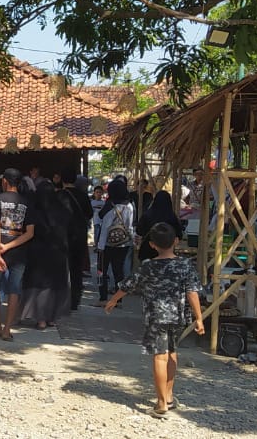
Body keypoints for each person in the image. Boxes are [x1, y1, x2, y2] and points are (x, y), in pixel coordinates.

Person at [105, 223, 205, 417]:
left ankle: (161, 403)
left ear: (152, 245)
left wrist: (113, 300)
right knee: (172, 353)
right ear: (176, 241)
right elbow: (192, 293)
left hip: (155, 316)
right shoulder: (185, 265)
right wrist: (199, 318)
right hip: (178, 316)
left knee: (160, 356)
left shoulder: (147, 266)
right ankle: (168, 395)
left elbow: (127, 285)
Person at [0, 168, 36, 340]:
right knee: (14, 289)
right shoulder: (27, 202)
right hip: (19, 251)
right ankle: (7, 329)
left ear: (5, 181)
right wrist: (10, 246)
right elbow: (29, 233)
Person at [18, 181, 73, 328]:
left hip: (38, 252)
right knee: (55, 286)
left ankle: (40, 319)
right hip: (59, 252)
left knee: (39, 286)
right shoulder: (62, 210)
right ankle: (52, 318)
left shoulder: (34, 210)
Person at [97, 177, 136, 303]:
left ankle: (103, 298)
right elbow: (129, 225)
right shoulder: (129, 205)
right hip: (123, 243)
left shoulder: (110, 206)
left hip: (107, 244)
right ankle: (118, 300)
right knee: (118, 271)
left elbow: (105, 228)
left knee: (102, 270)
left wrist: (100, 246)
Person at [62, 176, 94, 310]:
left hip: (63, 236)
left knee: (62, 268)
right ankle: (75, 300)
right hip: (79, 236)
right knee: (76, 269)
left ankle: (61, 299)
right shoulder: (83, 196)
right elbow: (90, 214)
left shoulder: (60, 195)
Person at [137, 191, 183, 262]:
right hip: (166, 252)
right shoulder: (172, 217)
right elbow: (179, 234)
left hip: (148, 250)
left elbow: (139, 231)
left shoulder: (147, 215)